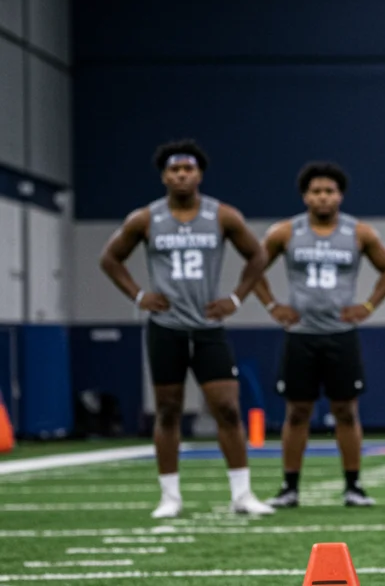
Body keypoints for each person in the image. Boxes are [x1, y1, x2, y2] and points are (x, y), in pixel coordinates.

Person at [98, 139, 275, 518]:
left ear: (199, 174)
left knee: (227, 408)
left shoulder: (222, 215)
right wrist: (139, 294)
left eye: (188, 169)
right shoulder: (146, 218)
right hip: (165, 326)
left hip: (208, 326)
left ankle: (242, 494)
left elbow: (258, 255)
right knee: (167, 411)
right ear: (164, 176)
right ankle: (170, 497)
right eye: (174, 169)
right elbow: (110, 258)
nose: (181, 175)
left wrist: (236, 298)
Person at [254, 162, 385, 509]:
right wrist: (273, 305)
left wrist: (367, 306)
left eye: (329, 191)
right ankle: (289, 487)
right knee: (297, 412)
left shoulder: (359, 232)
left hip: (341, 335)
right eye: (316, 191)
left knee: (346, 411)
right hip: (301, 335)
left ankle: (354, 486)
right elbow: (254, 269)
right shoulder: (285, 232)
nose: (323, 197)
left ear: (340, 195)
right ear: (305, 196)